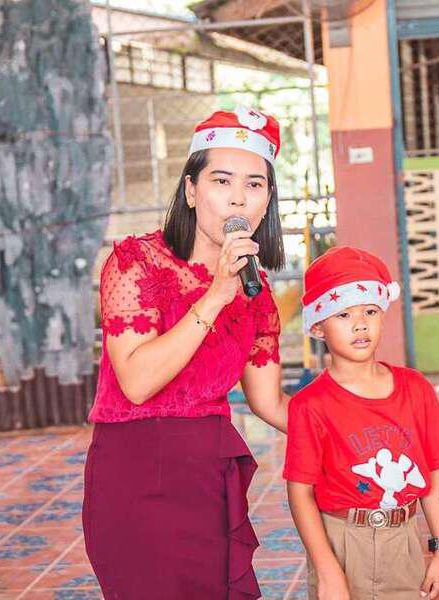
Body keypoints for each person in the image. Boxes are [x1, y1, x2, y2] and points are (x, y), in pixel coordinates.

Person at [82, 106, 289, 598]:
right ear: (191, 191)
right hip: (137, 477)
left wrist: (349, 421)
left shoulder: (256, 293)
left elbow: (270, 403)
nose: (238, 197)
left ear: (266, 202)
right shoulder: (135, 263)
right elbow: (137, 382)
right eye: (221, 180)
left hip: (208, 477)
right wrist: (216, 295)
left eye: (254, 184)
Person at [284, 247, 439, 600]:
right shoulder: (309, 405)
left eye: (370, 311)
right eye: (343, 314)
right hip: (342, 542)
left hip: (404, 539)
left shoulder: (416, 388)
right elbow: (300, 493)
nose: (360, 324)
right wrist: (327, 570)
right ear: (318, 326)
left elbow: (432, 474)